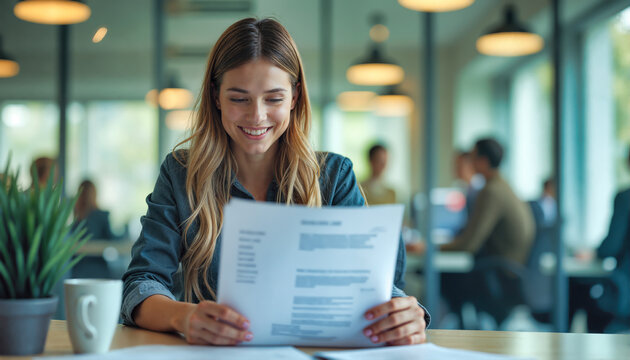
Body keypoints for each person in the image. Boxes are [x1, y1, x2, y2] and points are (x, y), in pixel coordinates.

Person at [122, 18, 428, 346]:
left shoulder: (334, 177)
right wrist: (183, 316)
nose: (257, 116)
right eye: (239, 98)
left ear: (295, 97)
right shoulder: (181, 173)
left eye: (274, 99)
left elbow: (375, 287)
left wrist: (407, 314)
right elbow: (143, 283)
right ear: (216, 96)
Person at [569, 150, 630, 332]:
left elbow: (610, 247)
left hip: (624, 294)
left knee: (581, 293)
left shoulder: (625, 198)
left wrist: (593, 253)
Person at [454, 151, 484, 216]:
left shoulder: (478, 188)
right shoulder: (469, 187)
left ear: (470, 165)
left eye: (459, 165)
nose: (455, 169)